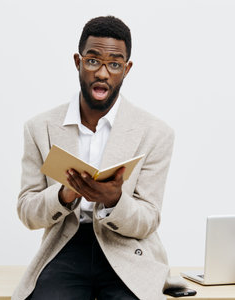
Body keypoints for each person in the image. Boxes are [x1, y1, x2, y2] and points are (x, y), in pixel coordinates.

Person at [12, 16, 186, 300]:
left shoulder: (156, 133)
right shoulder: (39, 128)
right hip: (65, 246)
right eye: (93, 61)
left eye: (114, 64)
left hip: (127, 250)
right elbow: (27, 212)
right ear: (78, 62)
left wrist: (114, 200)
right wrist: (65, 194)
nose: (103, 73)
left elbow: (148, 219)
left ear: (127, 69)